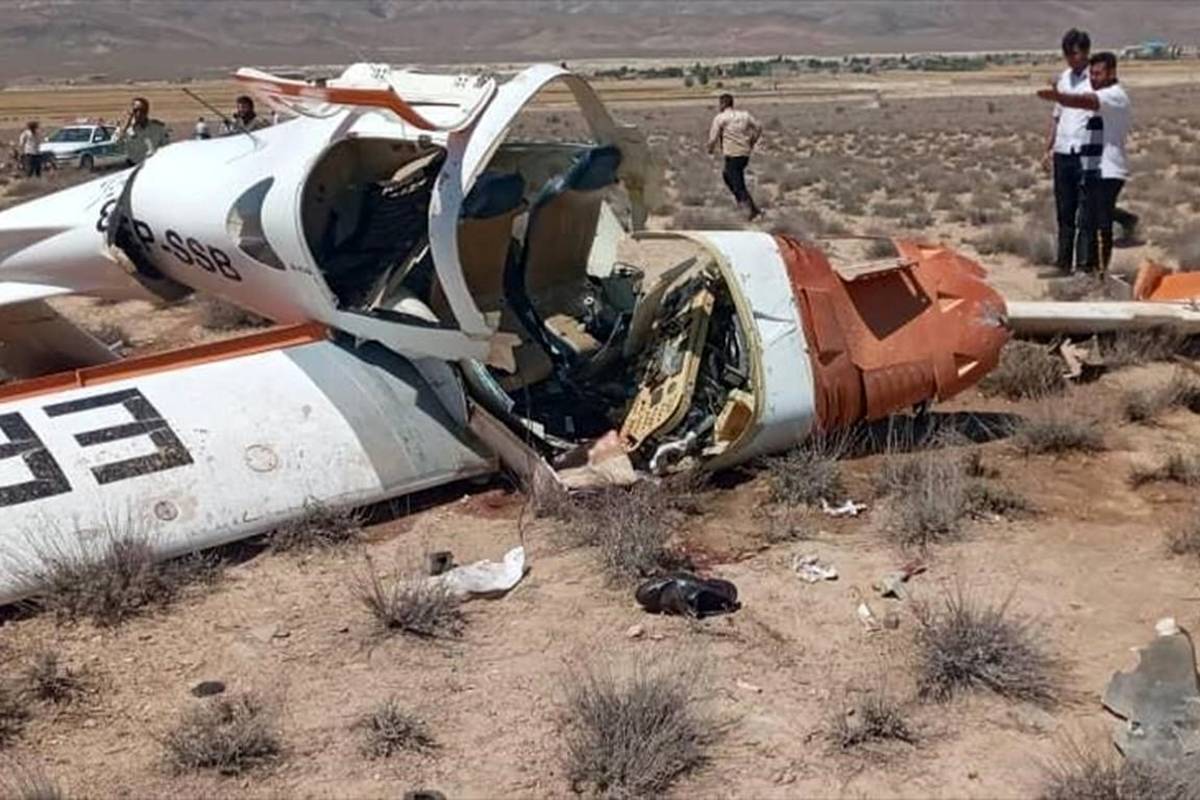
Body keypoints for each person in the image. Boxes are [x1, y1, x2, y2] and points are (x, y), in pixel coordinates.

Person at [1037, 51, 1131, 273]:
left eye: (1099, 74)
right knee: (1089, 220)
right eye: (1093, 74)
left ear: (1112, 73)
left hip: (1108, 169)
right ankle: (1089, 269)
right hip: (1093, 168)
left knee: (1100, 224)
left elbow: (1085, 101)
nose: (1094, 78)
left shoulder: (1114, 95)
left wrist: (1061, 97)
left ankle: (1098, 272)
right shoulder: (1100, 93)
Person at [707, 93, 762, 221]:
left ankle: (751, 211)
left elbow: (713, 137)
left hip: (732, 154)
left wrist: (710, 149)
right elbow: (758, 127)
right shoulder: (744, 115)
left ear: (723, 104)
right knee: (728, 176)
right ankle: (746, 205)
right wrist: (752, 141)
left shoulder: (720, 118)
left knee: (737, 184)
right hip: (744, 153)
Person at [112, 97, 169, 165]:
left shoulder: (157, 127)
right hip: (134, 166)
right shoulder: (126, 129)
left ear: (147, 111)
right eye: (136, 110)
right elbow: (115, 145)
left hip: (154, 165)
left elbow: (166, 148)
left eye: (142, 111)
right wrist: (124, 127)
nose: (139, 114)